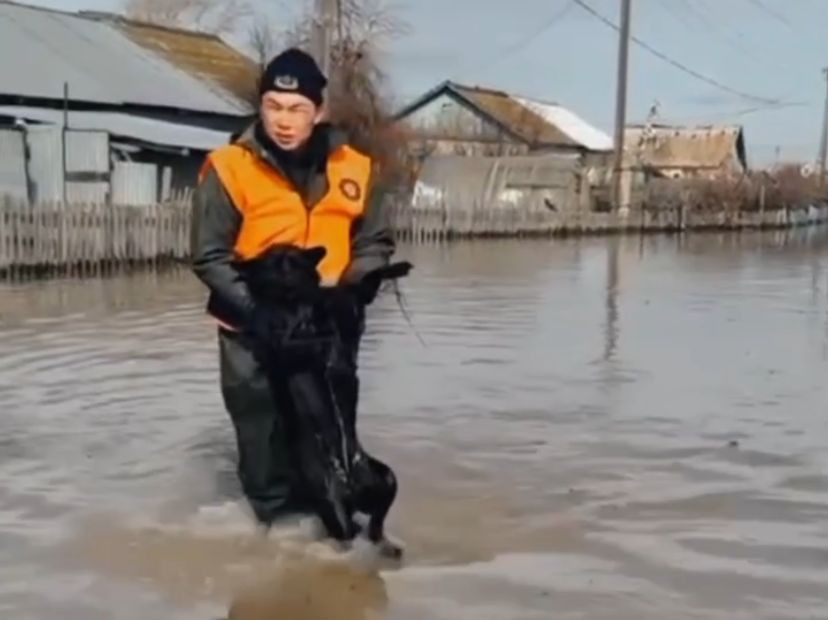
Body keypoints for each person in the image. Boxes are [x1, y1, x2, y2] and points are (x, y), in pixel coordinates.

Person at [189, 48, 396, 530]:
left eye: (297, 108)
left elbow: (374, 243)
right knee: (262, 433)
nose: (284, 120)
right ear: (261, 107)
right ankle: (280, 540)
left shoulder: (358, 168)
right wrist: (256, 312)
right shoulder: (227, 167)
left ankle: (332, 527)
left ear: (319, 111)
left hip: (327, 325)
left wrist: (355, 287)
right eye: (273, 106)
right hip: (250, 327)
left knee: (327, 431)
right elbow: (209, 256)